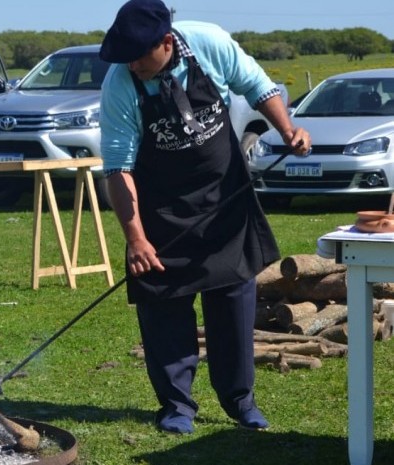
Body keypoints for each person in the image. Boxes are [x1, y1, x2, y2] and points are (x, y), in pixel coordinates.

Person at [97, 0, 311, 434]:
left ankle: (240, 401)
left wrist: (288, 129)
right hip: (159, 208)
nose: (133, 63)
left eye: (140, 54)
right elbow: (118, 168)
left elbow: (258, 86)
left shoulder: (209, 42)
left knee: (233, 300)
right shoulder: (120, 85)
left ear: (166, 41)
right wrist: (136, 238)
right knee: (165, 307)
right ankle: (177, 406)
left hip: (225, 197)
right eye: (126, 55)